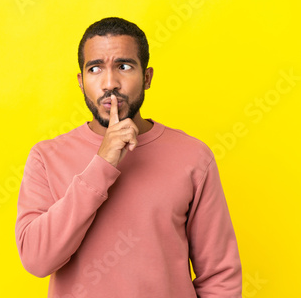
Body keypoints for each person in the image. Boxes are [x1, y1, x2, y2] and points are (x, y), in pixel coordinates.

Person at [15, 17, 242, 297]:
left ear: (147, 78)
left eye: (124, 66)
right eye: (95, 68)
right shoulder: (46, 157)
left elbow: (220, 276)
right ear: (81, 81)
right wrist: (102, 164)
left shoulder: (194, 156)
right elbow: (37, 260)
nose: (110, 83)